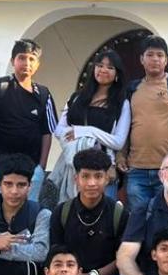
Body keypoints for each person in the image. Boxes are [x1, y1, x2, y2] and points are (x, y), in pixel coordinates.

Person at [118, 36, 168, 213]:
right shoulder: (132, 89)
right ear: (142, 59)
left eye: (160, 55)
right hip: (136, 169)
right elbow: (124, 126)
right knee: (139, 221)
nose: (155, 59)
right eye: (150, 55)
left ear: (166, 60)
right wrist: (121, 154)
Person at [0, 39, 57, 212]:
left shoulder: (43, 94)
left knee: (26, 219)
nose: (26, 63)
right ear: (13, 61)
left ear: (37, 64)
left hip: (30, 171)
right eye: (21, 58)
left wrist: (41, 167)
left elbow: (47, 132)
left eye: (31, 59)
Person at [48, 148, 128, 275]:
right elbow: (55, 253)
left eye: (98, 176)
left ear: (107, 179)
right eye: (85, 176)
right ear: (76, 179)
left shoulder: (119, 214)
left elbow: (122, 259)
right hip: (67, 274)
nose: (92, 183)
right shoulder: (61, 212)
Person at [52, 49, 131, 203]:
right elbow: (59, 130)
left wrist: (85, 131)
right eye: (100, 65)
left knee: (104, 217)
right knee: (70, 214)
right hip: (73, 166)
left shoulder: (122, 103)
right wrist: (79, 136)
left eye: (110, 67)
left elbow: (118, 141)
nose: (103, 70)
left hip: (104, 169)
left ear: (117, 74)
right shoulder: (76, 98)